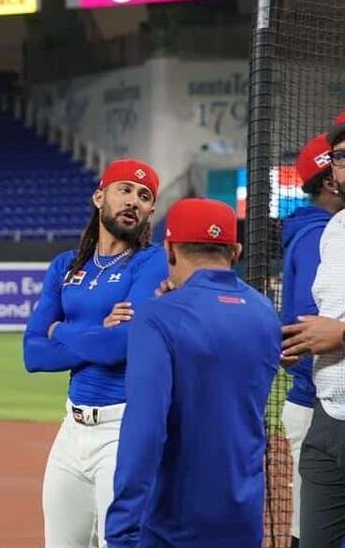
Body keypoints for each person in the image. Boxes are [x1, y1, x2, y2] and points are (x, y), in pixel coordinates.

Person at [105, 197, 279, 547]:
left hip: (174, 523)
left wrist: (122, 530)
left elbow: (145, 430)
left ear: (169, 250)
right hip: (244, 515)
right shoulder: (265, 313)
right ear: (236, 251)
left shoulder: (157, 317)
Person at [22, 158, 169, 548]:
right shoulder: (65, 266)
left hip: (122, 429)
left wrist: (60, 329)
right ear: (99, 196)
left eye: (144, 196)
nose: (133, 201)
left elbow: (122, 345)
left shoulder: (151, 262)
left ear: (151, 211)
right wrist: (96, 332)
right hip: (71, 429)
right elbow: (33, 354)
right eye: (124, 190)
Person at [281, 120, 345, 547]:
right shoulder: (332, 232)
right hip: (329, 415)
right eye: (341, 158)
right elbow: (317, 317)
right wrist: (297, 345)